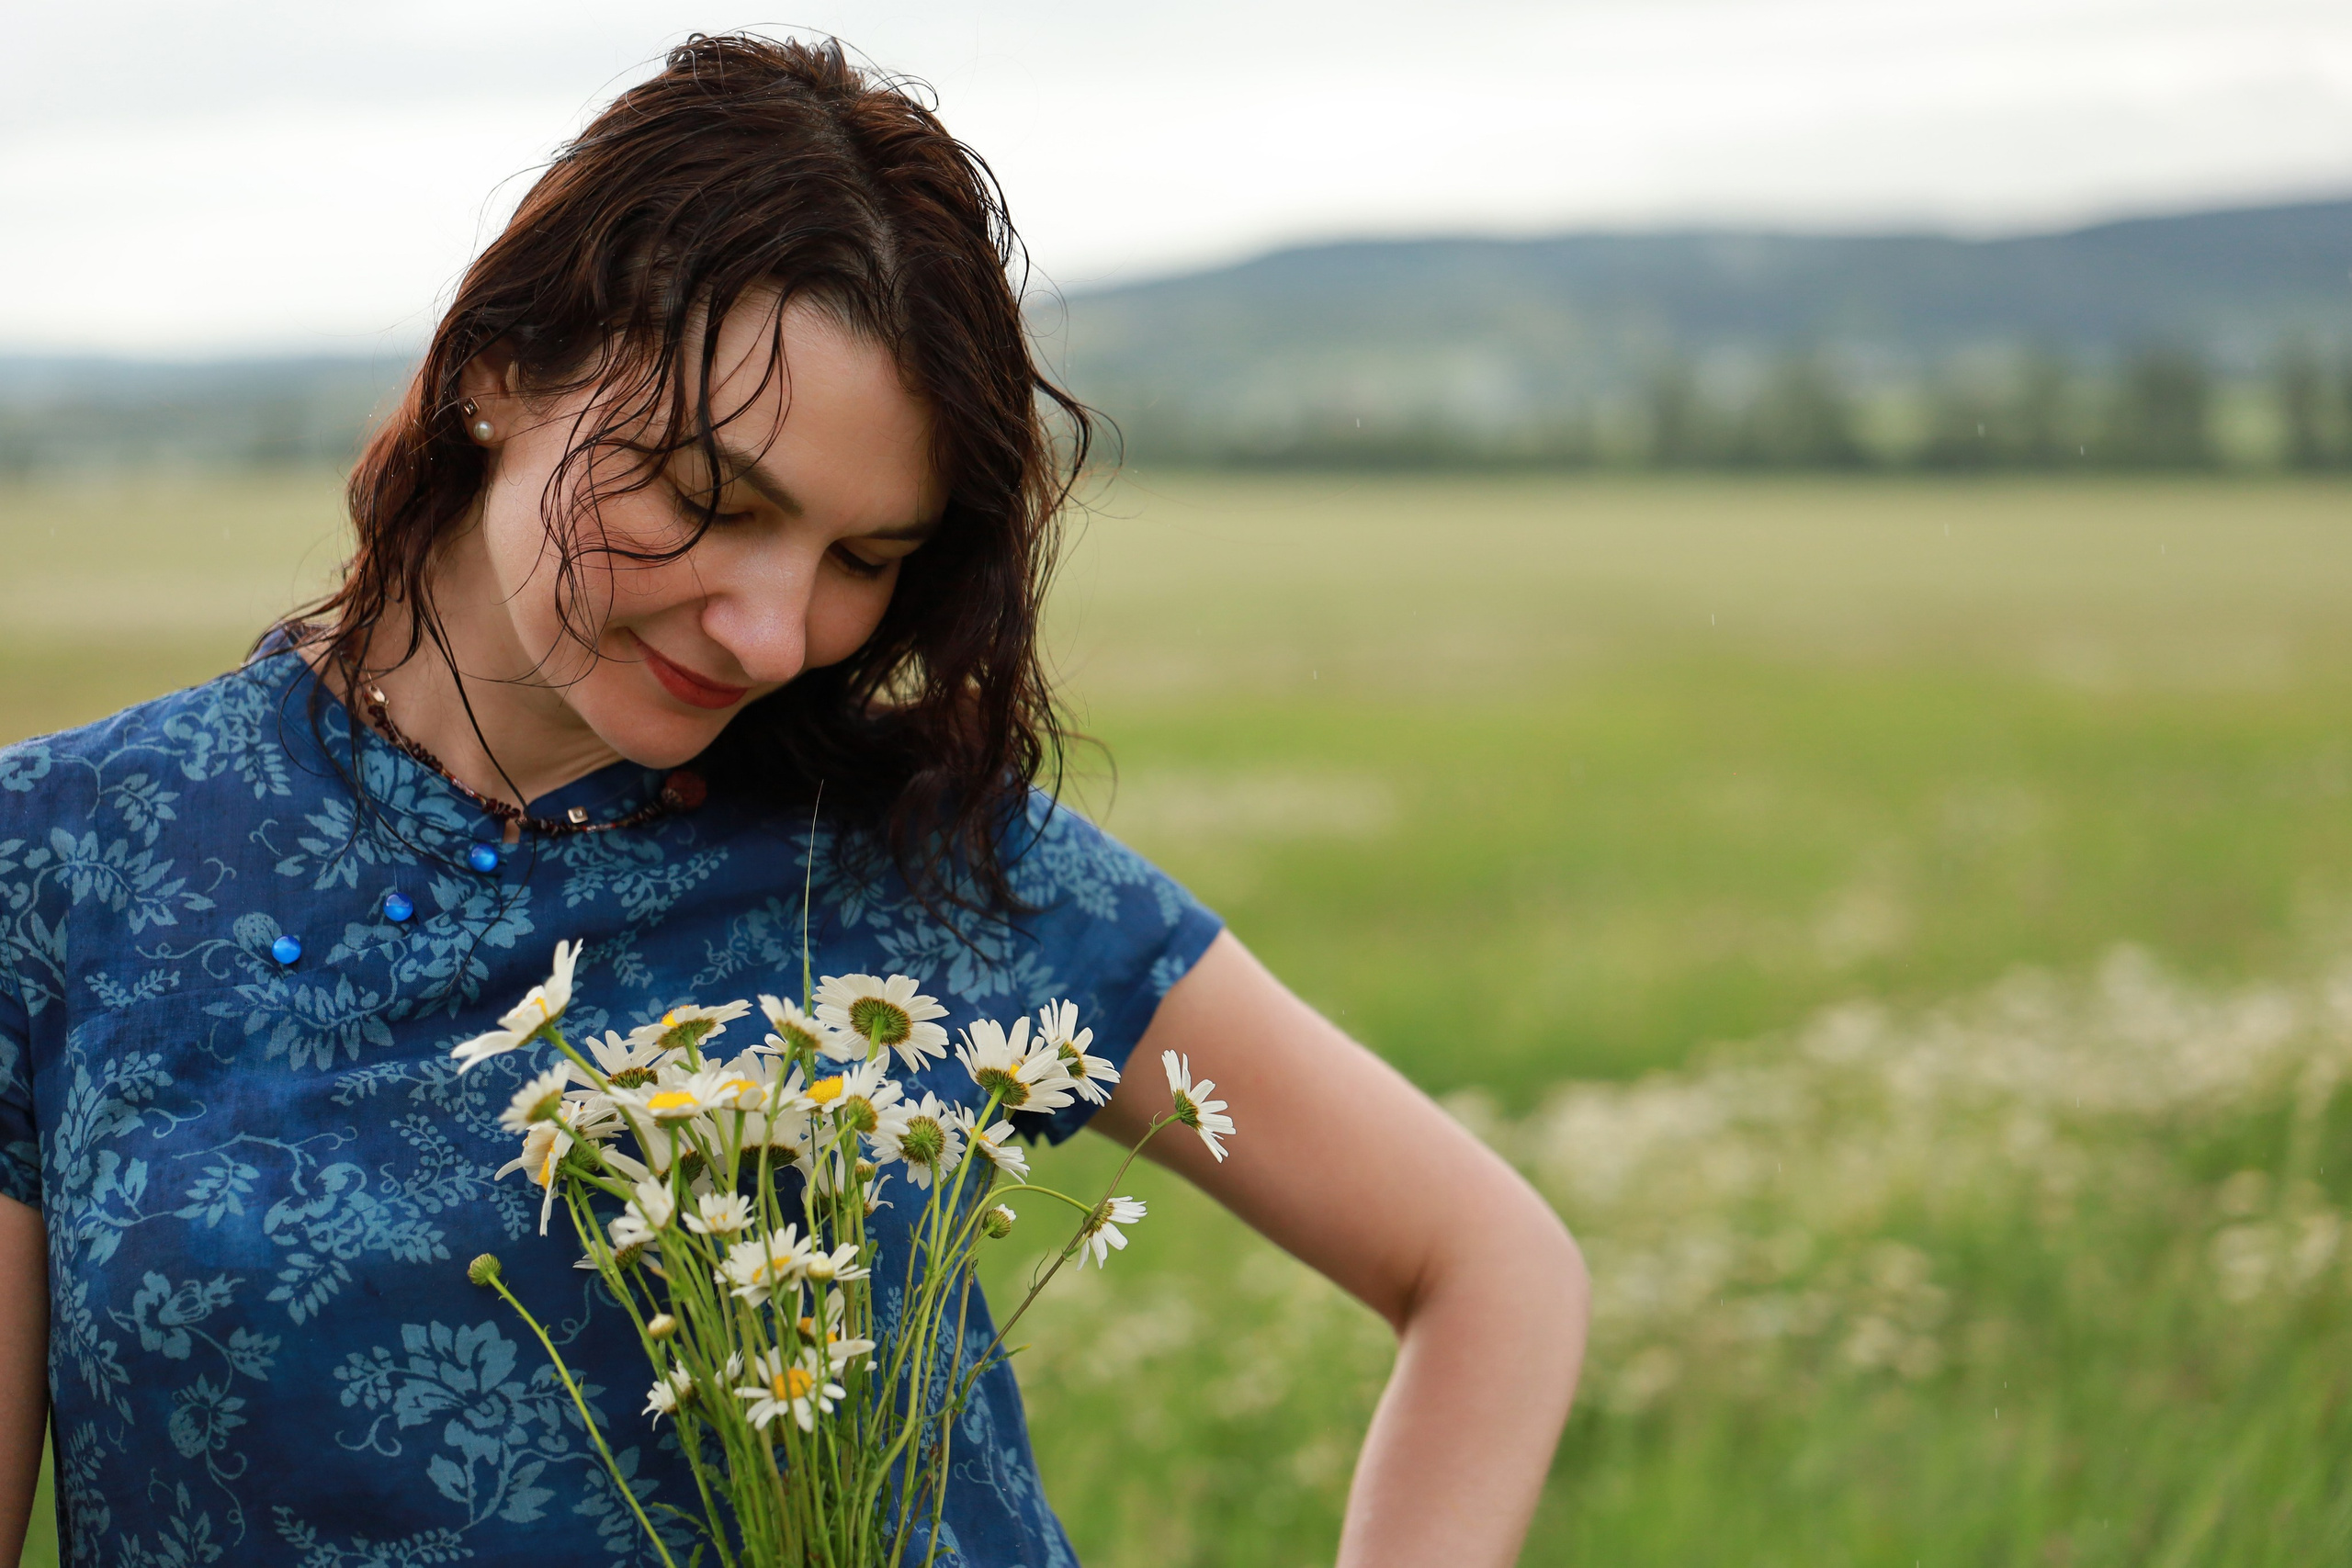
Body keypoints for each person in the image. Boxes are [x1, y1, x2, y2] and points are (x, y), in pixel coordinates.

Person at [0, 33, 1585, 1567]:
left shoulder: (922, 860)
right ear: (496, 370)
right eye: (706, 499)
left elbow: (1489, 1262)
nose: (773, 630)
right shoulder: (61, 864)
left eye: (863, 562)